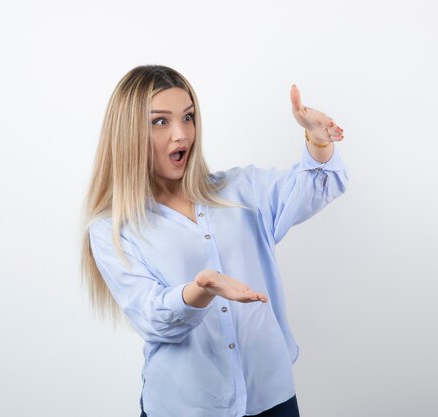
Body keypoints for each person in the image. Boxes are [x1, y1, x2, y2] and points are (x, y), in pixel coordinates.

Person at [81, 65, 347, 417]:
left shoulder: (241, 190)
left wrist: (318, 141)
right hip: (184, 406)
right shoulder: (113, 228)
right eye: (160, 121)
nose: (181, 134)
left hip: (270, 398)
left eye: (188, 117)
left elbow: (311, 188)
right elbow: (152, 318)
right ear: (128, 133)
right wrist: (200, 289)